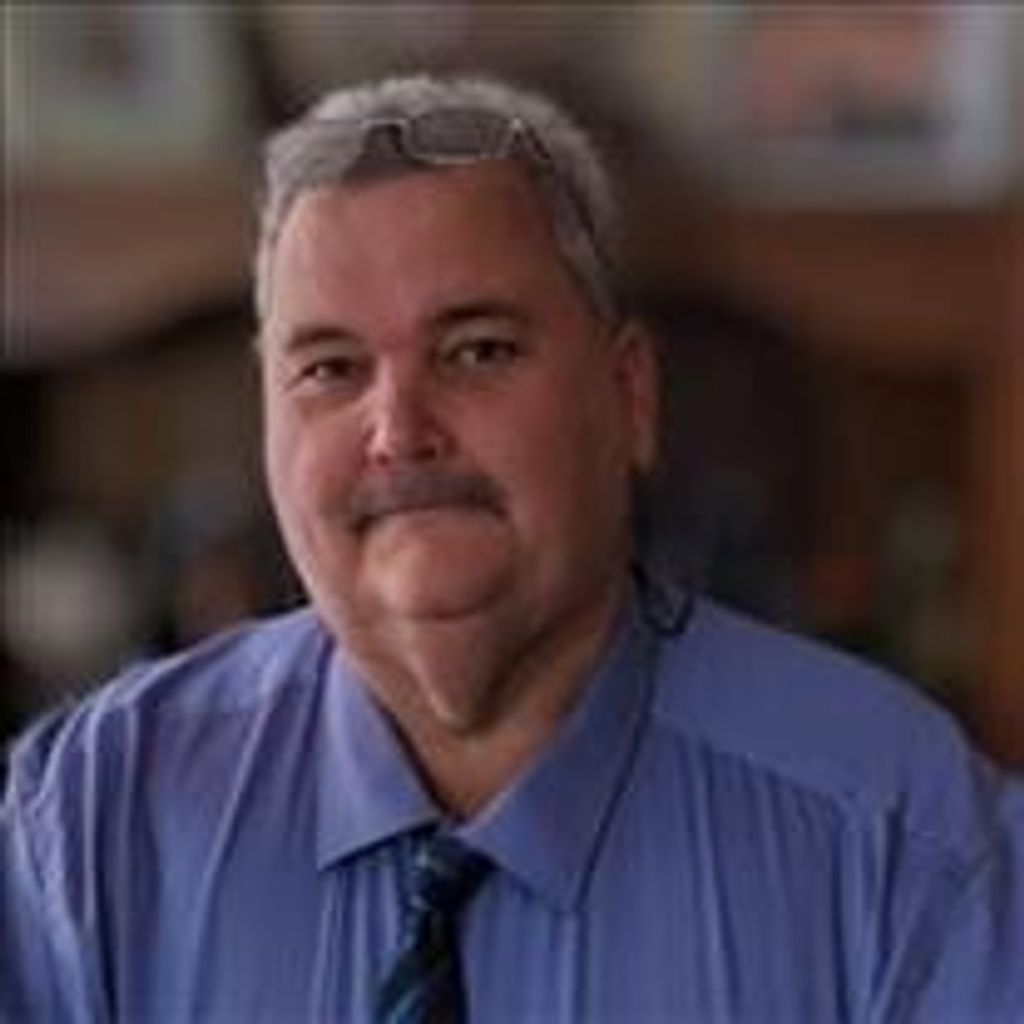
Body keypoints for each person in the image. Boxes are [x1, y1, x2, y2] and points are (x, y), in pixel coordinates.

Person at [2, 73, 1022, 1024]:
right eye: (330, 368)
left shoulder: (904, 843)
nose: (398, 431)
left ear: (628, 397)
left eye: (476, 350)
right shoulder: (91, 820)